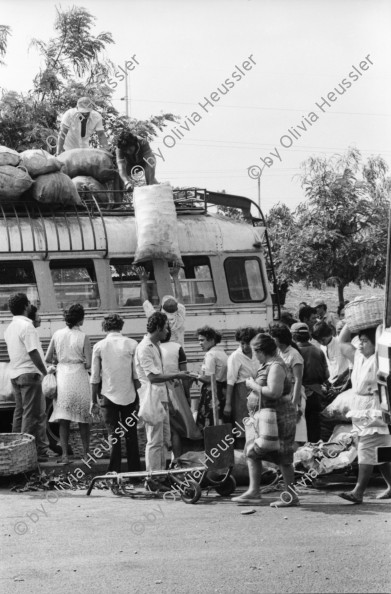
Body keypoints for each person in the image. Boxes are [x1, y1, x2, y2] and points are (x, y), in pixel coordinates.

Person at [231, 333, 299, 507]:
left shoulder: (276, 366)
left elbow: (274, 392)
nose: (254, 356)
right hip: (266, 417)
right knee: (252, 451)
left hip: (279, 416)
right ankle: (254, 491)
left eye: (255, 352)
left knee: (283, 455)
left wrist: (252, 385)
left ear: (261, 351)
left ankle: (291, 495)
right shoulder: (268, 365)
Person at [134, 312, 189, 487]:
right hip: (151, 399)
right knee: (154, 440)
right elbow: (152, 377)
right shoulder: (144, 347)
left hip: (161, 398)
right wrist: (177, 374)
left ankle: (160, 475)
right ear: (158, 328)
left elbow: (160, 376)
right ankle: (152, 478)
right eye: (165, 327)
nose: (168, 330)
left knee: (165, 439)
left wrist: (171, 379)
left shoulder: (155, 346)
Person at [338, 326, 391, 503]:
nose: (360, 344)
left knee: (366, 448)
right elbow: (342, 341)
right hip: (360, 406)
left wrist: (378, 326)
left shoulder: (380, 359)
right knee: (381, 452)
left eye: (365, 341)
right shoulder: (358, 356)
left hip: (375, 407)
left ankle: (358, 492)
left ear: (375, 344)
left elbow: (382, 338)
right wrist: (349, 322)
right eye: (359, 340)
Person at [90, 314, 140, 473]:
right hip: (129, 395)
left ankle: (114, 474)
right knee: (131, 435)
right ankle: (135, 473)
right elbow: (136, 375)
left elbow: (95, 377)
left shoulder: (99, 346)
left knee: (113, 436)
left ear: (104, 328)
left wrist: (93, 400)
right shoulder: (133, 344)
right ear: (121, 326)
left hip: (108, 397)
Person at [4, 293, 50, 462]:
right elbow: (33, 352)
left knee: (20, 413)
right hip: (29, 374)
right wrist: (45, 372)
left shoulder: (9, 328)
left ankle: (15, 449)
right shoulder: (27, 326)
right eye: (29, 303)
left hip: (15, 374)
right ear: (25, 306)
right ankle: (23, 454)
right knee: (31, 415)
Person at [46, 304, 92, 465]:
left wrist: (58, 361)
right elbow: (89, 364)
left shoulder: (57, 334)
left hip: (63, 377)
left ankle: (65, 456)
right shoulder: (83, 337)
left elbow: (47, 357)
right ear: (80, 319)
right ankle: (86, 455)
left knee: (64, 419)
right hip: (79, 376)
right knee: (83, 419)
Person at [160, 326, 202, 459]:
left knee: (162, 428)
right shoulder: (177, 347)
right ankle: (178, 461)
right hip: (175, 388)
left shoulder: (152, 348)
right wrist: (187, 396)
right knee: (177, 428)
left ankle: (164, 462)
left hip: (157, 388)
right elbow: (185, 373)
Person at [269, 323, 307, 446]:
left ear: (280, 338)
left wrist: (294, 404)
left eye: (273, 337)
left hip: (294, 396)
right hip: (282, 398)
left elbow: (298, 380)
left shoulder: (294, 355)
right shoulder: (278, 354)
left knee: (296, 433)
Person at [291, 322, 329, 443]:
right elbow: (326, 375)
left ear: (293, 337)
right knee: (314, 432)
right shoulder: (318, 351)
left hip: (300, 396)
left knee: (300, 434)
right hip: (316, 395)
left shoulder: (294, 353)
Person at [223, 327, 260, 446]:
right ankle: (241, 455)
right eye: (243, 343)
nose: (246, 346)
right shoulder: (235, 356)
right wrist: (228, 404)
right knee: (242, 425)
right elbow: (230, 381)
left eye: (248, 343)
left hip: (257, 389)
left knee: (258, 423)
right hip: (241, 393)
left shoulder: (257, 353)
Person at [135, 264, 186, 346]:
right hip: (179, 353)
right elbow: (180, 297)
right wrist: (175, 276)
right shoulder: (180, 317)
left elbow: (144, 300)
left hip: (163, 354)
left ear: (161, 307)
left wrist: (143, 281)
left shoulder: (156, 318)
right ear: (177, 308)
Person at [194, 326, 228, 430]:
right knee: (220, 421)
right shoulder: (222, 352)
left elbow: (209, 379)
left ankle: (210, 444)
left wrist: (195, 376)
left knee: (210, 423)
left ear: (212, 340)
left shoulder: (211, 355)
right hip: (222, 391)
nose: (200, 343)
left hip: (212, 392)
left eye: (202, 340)